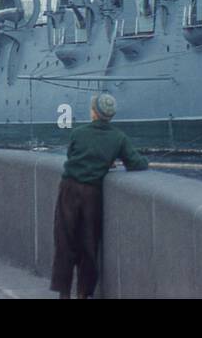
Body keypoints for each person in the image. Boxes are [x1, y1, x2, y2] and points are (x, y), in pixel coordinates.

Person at [50, 93, 148, 299]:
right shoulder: (119, 138)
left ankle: (64, 293)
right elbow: (136, 163)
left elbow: (73, 155)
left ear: (93, 112)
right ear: (110, 116)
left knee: (64, 242)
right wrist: (106, 161)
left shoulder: (78, 133)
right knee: (89, 244)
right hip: (92, 194)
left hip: (69, 189)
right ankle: (84, 293)